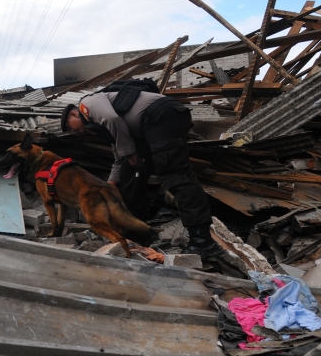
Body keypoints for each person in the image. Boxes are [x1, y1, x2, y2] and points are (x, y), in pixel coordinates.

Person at [61, 90, 223, 259]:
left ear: (74, 113)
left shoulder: (87, 103)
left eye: (69, 126)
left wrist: (130, 153)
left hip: (161, 116)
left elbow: (113, 119)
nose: (72, 131)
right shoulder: (99, 126)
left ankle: (202, 241)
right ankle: (138, 235)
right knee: (130, 173)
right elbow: (119, 156)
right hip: (150, 125)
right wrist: (111, 184)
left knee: (176, 175)